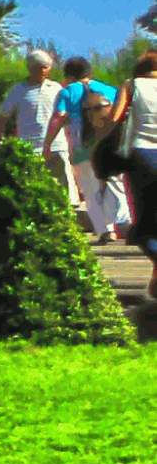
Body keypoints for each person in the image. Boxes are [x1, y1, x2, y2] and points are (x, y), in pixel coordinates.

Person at [51, 57, 131, 243]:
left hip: (82, 147)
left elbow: (59, 116)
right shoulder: (109, 89)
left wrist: (48, 143)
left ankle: (106, 231)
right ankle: (121, 221)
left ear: (69, 75)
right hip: (109, 145)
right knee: (113, 183)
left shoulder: (67, 91)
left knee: (91, 190)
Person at [99, 53, 157, 294]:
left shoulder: (131, 85)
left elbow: (115, 117)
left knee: (143, 226)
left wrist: (101, 142)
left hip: (142, 156)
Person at [0, 49, 63, 146]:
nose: (42, 71)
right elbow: (2, 115)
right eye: (38, 68)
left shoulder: (56, 88)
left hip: (56, 145)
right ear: (30, 68)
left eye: (45, 67)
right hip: (28, 145)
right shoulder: (18, 89)